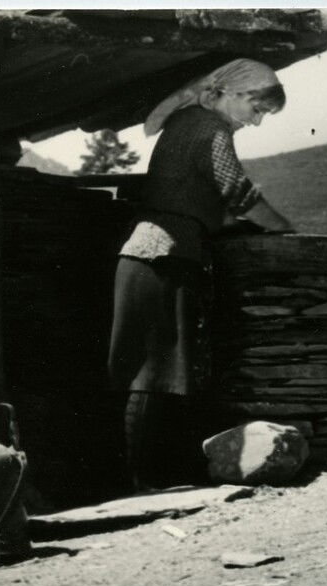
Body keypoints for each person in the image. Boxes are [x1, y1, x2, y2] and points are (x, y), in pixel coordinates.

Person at [108, 59, 292, 491]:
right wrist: (283, 227)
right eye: (258, 109)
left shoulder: (187, 122)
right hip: (164, 254)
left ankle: (145, 476)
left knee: (151, 369)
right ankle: (143, 480)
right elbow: (238, 191)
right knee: (154, 372)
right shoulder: (210, 127)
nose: (258, 121)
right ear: (236, 94)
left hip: (152, 253)